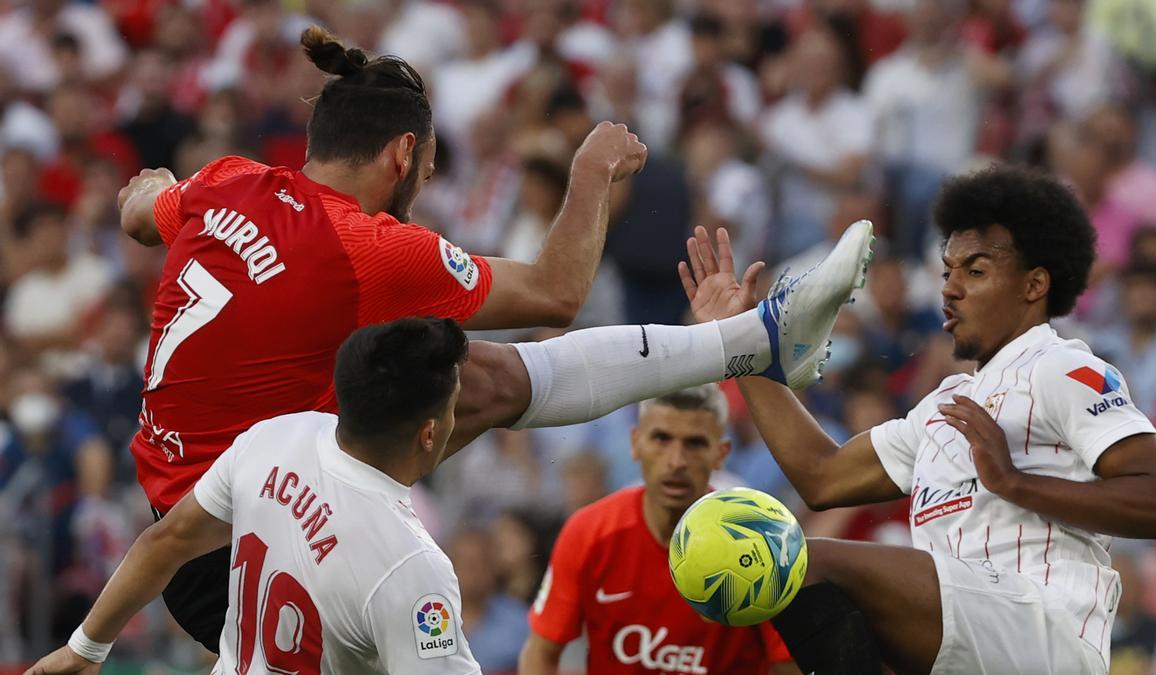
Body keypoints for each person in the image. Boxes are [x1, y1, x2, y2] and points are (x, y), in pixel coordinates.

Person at [115, 24, 645, 652]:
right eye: (426, 166)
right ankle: (741, 343)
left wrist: (155, 186)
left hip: (176, 528)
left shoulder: (227, 180)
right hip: (256, 543)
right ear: (401, 155)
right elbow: (556, 292)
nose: (423, 185)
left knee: (474, 381)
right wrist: (590, 169)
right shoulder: (371, 249)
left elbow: (138, 213)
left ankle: (735, 345)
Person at [679, 165, 1156, 674]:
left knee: (801, 564)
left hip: (1048, 634)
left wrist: (1013, 483)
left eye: (975, 271)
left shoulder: (1062, 367)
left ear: (1034, 285)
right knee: (799, 595)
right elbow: (822, 476)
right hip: (972, 646)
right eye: (947, 271)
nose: (949, 288)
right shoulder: (943, 406)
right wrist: (743, 342)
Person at [24, 318, 486, 674]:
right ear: (428, 433)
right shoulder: (410, 567)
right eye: (451, 407)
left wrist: (84, 646)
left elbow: (168, 539)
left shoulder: (275, 438)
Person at [519, 384, 799, 674]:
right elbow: (540, 653)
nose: (676, 461)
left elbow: (790, 665)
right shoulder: (590, 531)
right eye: (661, 439)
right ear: (635, 443)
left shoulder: (758, 547)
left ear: (721, 453)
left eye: (695, 443)